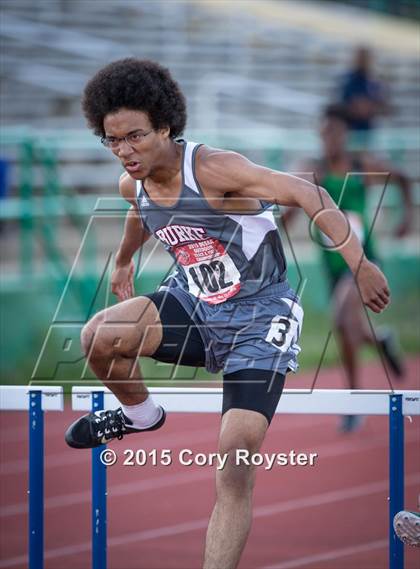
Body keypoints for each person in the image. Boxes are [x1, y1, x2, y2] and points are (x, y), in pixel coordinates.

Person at [64, 59, 390, 569]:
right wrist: (124, 260)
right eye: (112, 140)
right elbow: (137, 213)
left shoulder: (214, 169)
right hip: (195, 303)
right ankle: (140, 416)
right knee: (98, 337)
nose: (124, 151)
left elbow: (309, 193)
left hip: (259, 318)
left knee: (234, 466)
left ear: (166, 127)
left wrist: (361, 262)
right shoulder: (135, 181)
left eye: (134, 137)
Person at [283, 104, 412, 432]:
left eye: (336, 132)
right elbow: (288, 210)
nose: (330, 139)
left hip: (364, 261)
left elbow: (403, 179)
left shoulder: (360, 165)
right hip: (331, 264)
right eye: (325, 133)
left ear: (345, 135)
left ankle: (354, 399)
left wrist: (407, 216)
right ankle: (380, 342)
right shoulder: (312, 171)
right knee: (347, 323)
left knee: (342, 317)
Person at [336, 45, 389, 142]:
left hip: (368, 134)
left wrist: (371, 108)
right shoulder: (347, 80)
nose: (362, 60)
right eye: (360, 57)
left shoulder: (374, 81)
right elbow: (341, 106)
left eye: (365, 57)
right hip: (349, 132)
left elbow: (384, 107)